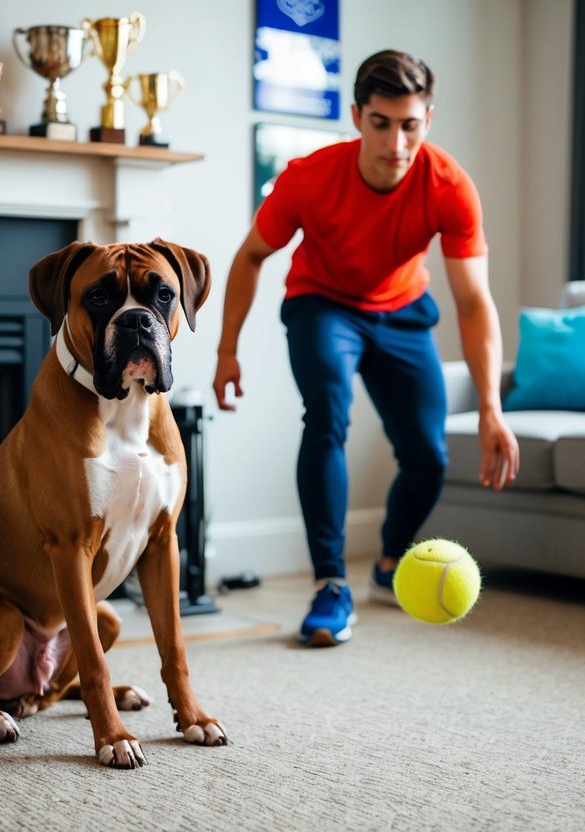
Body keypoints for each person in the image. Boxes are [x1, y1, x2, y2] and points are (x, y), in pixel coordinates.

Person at [212, 50, 519, 647]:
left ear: (428, 119)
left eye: (410, 125)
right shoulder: (309, 176)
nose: (396, 143)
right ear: (357, 116)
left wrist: (489, 406)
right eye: (382, 123)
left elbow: (475, 302)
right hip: (322, 304)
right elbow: (250, 256)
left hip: (402, 312)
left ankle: (385, 567)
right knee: (327, 415)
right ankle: (330, 584)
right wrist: (228, 349)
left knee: (428, 455)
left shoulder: (450, 187)